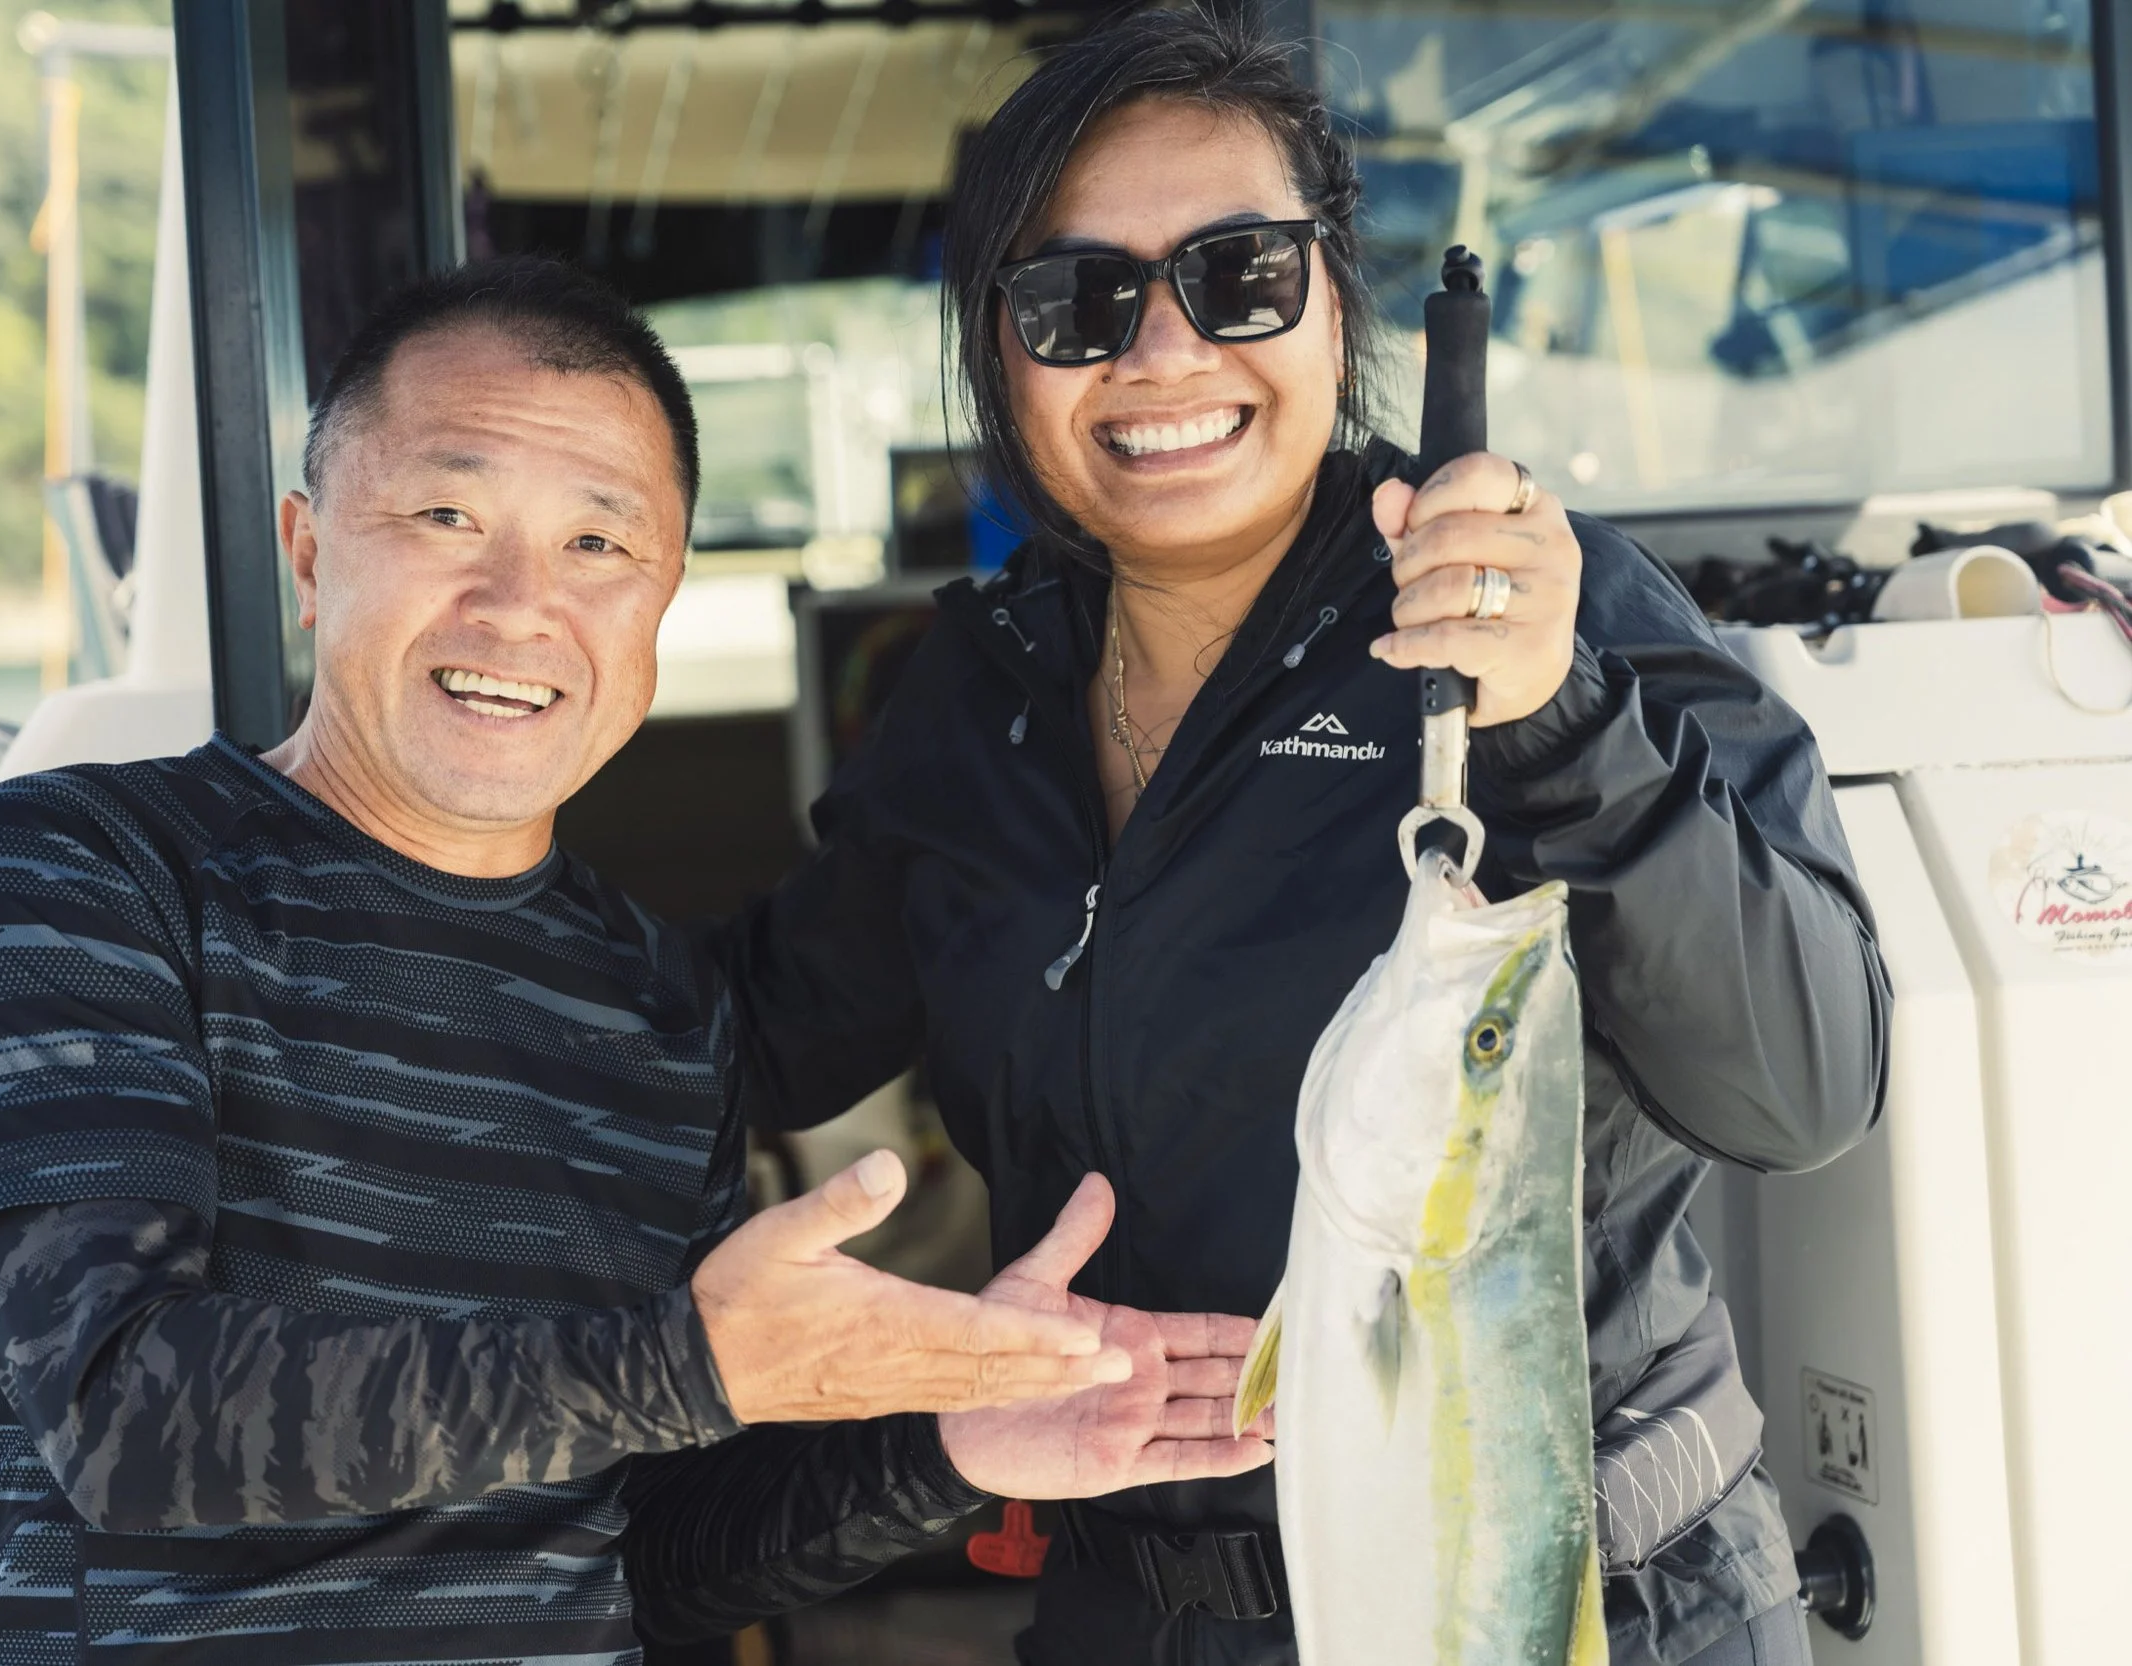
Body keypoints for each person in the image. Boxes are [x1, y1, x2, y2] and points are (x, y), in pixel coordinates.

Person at [0, 257, 1271, 1665]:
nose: (517, 603)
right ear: (309, 554)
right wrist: (697, 1363)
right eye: (445, 515)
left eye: (599, 546)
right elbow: (124, 1415)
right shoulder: (77, 871)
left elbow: (644, 1560)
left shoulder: (659, 1014)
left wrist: (952, 1443)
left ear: (660, 599)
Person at [710, 11, 1887, 1666]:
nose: (1165, 354)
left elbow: (1806, 1076)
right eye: (1078, 303)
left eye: (1238, 273)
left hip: (1576, 1605)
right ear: (998, 356)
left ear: (1337, 295)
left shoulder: (1553, 603)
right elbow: (734, 1042)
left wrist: (1557, 715)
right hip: (1136, 1617)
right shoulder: (975, 703)